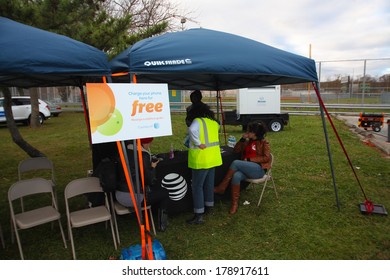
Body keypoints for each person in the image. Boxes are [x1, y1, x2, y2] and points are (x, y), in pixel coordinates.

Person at [214, 121, 271, 214]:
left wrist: (249, 160)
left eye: (250, 131)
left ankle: (222, 187)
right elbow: (236, 150)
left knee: (236, 163)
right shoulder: (248, 142)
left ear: (255, 133)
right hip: (247, 169)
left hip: (258, 170)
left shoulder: (264, 142)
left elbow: (266, 157)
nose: (248, 132)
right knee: (236, 175)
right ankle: (234, 204)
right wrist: (242, 139)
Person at [115, 137, 169, 232]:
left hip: (119, 196)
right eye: (149, 143)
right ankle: (162, 224)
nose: (150, 145)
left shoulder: (123, 151)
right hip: (135, 198)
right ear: (144, 143)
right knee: (164, 192)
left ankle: (131, 213)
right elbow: (149, 181)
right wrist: (152, 168)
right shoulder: (143, 155)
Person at [186, 102, 222, 224]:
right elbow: (217, 129)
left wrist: (197, 142)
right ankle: (209, 206)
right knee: (209, 184)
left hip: (201, 158)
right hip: (213, 157)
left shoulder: (198, 121)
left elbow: (192, 129)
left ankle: (199, 215)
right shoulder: (213, 122)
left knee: (197, 186)